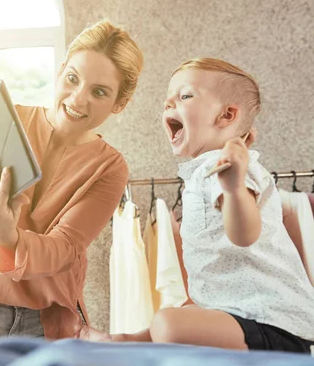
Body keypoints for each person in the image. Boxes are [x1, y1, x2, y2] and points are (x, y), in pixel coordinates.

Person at [0, 20, 144, 340]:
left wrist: (8, 237)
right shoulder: (6, 119)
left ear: (119, 103)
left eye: (99, 92)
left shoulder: (110, 167)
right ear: (60, 72)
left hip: (43, 325)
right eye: (72, 79)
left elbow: (65, 247)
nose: (78, 99)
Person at [77, 58, 314, 353]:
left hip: (269, 322)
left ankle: (129, 342)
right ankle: (126, 340)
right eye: (167, 99)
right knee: (183, 312)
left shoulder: (228, 166)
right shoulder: (205, 170)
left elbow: (245, 234)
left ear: (226, 115)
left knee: (169, 322)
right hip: (232, 314)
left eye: (185, 96)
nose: (168, 103)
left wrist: (234, 188)